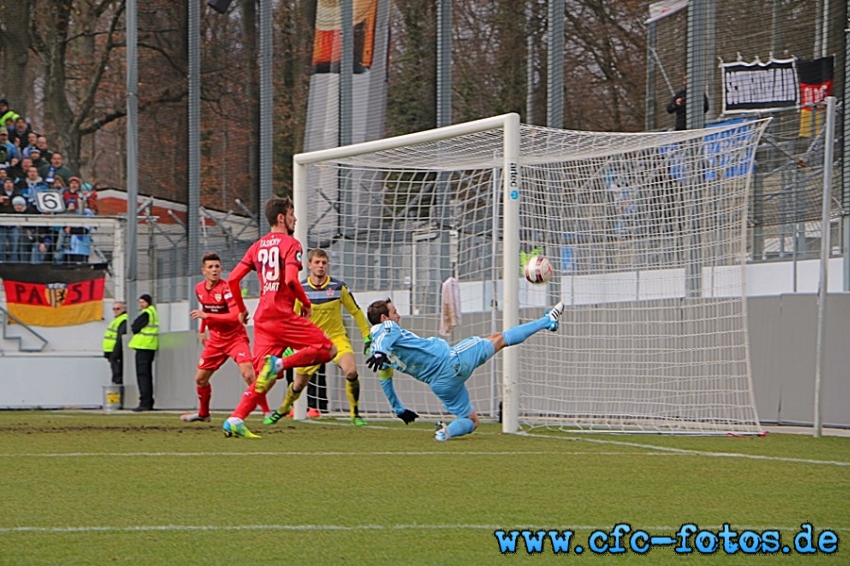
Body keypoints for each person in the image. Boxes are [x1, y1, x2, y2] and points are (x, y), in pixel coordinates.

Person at [365, 298, 565, 441]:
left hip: (440, 385)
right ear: (384, 317)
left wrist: (399, 409)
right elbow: (388, 331)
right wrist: (381, 350)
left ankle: (445, 433)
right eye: (394, 312)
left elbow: (386, 380)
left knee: (471, 420)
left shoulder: (375, 349)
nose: (398, 316)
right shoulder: (386, 330)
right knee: (499, 338)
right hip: (452, 362)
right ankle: (547, 321)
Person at [221, 195, 336, 438]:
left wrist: (240, 309)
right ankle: (281, 363)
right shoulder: (291, 244)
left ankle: (235, 418)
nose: (295, 219)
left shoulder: (257, 246)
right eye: (292, 214)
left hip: (263, 317)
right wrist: (305, 303)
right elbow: (291, 280)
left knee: (266, 377)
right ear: (282, 217)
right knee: (327, 349)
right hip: (282, 314)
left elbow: (232, 279)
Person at [263, 248, 372, 427]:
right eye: (317, 263)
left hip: (337, 339)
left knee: (351, 371)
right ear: (309, 265)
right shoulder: (301, 289)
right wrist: (290, 343)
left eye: (323, 263)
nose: (321, 266)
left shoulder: (338, 287)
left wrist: (367, 336)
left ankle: (355, 414)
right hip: (311, 342)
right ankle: (283, 409)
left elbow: (356, 311)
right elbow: (292, 318)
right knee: (298, 385)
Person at [180, 251, 272, 423]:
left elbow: (235, 316)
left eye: (217, 267)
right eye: (210, 267)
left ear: (221, 269)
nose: (214, 270)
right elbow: (205, 310)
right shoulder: (199, 288)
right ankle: (203, 414)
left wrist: (207, 318)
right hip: (215, 340)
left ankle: (267, 412)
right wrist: (202, 330)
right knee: (200, 379)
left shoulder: (227, 288)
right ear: (203, 271)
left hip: (235, 338)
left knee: (248, 374)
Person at [128, 294, 158, 411]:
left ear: (148, 302)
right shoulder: (153, 312)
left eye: (143, 302)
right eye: (140, 302)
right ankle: (148, 402)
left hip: (143, 346)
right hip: (150, 346)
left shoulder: (147, 313)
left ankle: (144, 402)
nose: (141, 305)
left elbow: (135, 326)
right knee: (147, 376)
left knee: (142, 376)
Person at [102, 302, 128, 385]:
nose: (115, 311)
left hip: (116, 352)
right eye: (114, 309)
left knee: (117, 375)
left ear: (124, 309)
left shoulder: (123, 319)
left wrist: (115, 353)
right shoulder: (117, 320)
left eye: (118, 308)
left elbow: (120, 337)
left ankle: (118, 392)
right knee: (115, 373)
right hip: (112, 351)